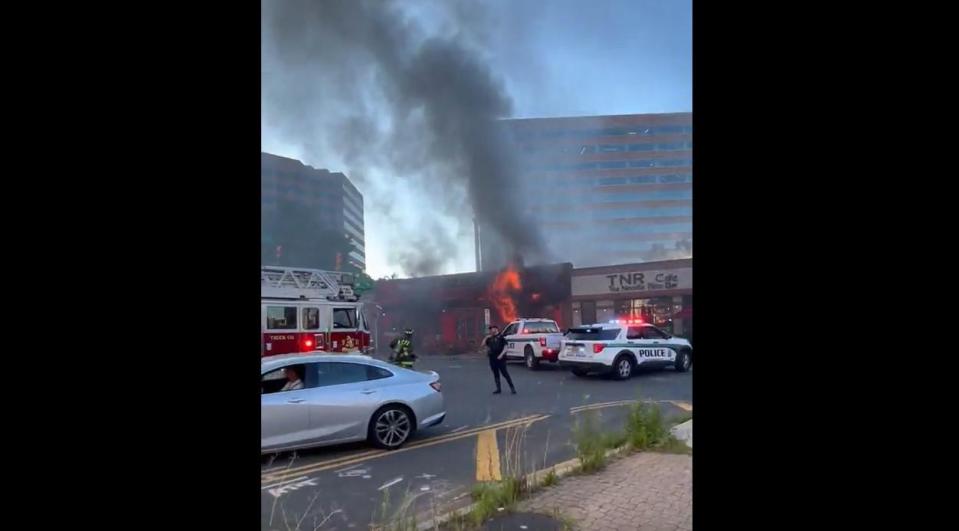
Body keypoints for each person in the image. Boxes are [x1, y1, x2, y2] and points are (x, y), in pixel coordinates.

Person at [482, 325, 516, 394]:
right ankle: (498, 389)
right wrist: (486, 338)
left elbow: (506, 347)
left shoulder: (501, 337)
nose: (491, 330)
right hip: (492, 358)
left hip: (500, 358)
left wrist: (501, 355)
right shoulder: (490, 338)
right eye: (490, 329)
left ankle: (512, 388)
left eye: (493, 329)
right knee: (495, 373)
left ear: (496, 329)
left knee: (505, 373)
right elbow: (482, 345)